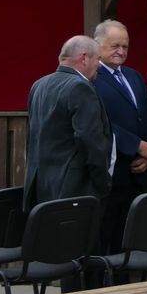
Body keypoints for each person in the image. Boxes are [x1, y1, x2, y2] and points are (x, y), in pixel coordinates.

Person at [91, 18, 147, 256]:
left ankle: (125, 281)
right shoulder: (91, 78)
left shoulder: (133, 76)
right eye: (115, 46)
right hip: (112, 174)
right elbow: (99, 123)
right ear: (98, 45)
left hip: (139, 175)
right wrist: (136, 146)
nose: (121, 51)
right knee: (106, 242)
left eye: (125, 46)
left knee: (129, 242)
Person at [22, 35, 114, 209]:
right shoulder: (80, 87)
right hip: (74, 190)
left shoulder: (38, 85)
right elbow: (90, 141)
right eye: (98, 59)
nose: (100, 66)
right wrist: (103, 182)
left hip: (41, 187)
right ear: (84, 58)